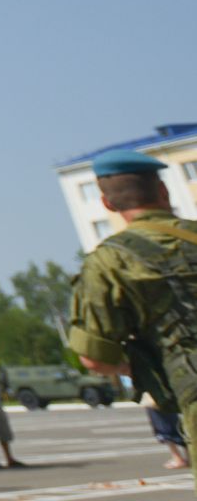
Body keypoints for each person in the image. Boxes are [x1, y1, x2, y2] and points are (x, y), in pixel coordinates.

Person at [68, 148, 197, 492]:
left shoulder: (108, 263)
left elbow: (95, 358)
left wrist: (148, 365)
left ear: (107, 204)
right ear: (164, 191)